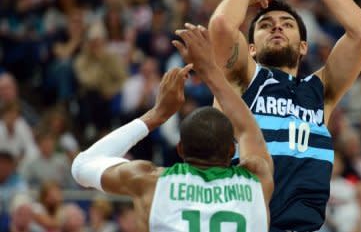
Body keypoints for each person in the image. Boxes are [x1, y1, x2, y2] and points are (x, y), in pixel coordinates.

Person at [209, 0, 361, 231]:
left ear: (303, 48)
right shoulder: (240, 79)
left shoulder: (321, 93)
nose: (276, 26)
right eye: (264, 24)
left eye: (287, 23)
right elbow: (222, 26)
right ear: (250, 49)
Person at [71, 25, 274, 232]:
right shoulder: (257, 179)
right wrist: (210, 71)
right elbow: (248, 131)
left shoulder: (149, 182)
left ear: (180, 149)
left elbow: (81, 165)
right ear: (232, 151)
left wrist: (156, 115)